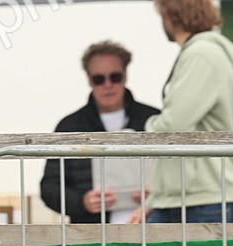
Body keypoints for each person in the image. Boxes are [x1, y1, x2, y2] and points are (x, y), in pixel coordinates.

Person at [142, 0, 233, 223]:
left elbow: (172, 127)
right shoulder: (203, 52)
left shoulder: (201, 54)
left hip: (200, 199)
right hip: (195, 196)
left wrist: (146, 129)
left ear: (171, 14)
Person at [40, 41, 159, 224]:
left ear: (125, 76)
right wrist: (82, 202)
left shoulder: (154, 120)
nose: (108, 84)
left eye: (115, 77)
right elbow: (49, 187)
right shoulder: (69, 127)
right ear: (89, 81)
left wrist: (157, 195)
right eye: (99, 79)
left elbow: (181, 176)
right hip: (91, 237)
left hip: (151, 229)